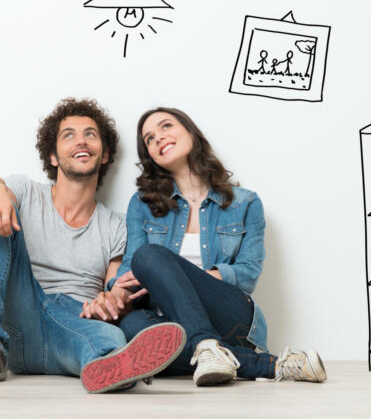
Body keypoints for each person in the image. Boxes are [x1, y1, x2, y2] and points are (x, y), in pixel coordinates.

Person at [0, 98, 186, 393]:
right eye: (69, 135)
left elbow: (115, 287)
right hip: (17, 318)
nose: (81, 141)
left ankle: (112, 364)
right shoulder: (26, 191)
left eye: (90, 134)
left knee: (107, 338)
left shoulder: (117, 226)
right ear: (52, 156)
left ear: (104, 155)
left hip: (73, 326)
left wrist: (113, 300)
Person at [81, 107, 326, 387]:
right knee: (134, 327)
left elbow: (247, 274)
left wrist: (174, 277)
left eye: (166, 127)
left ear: (191, 133)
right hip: (168, 322)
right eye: (149, 138)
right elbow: (130, 270)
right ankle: (267, 363)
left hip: (230, 315)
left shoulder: (245, 203)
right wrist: (114, 293)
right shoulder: (143, 204)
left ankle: (208, 342)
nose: (158, 138)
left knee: (150, 256)